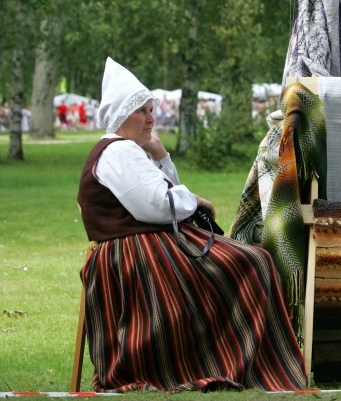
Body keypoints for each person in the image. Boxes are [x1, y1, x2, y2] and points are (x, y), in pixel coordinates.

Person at [77, 57, 306, 393]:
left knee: (250, 259)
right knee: (253, 262)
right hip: (134, 254)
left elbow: (162, 193)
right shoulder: (119, 151)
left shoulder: (125, 150)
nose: (152, 117)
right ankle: (240, 361)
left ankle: (235, 358)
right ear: (122, 115)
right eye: (143, 111)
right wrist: (196, 201)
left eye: (152, 109)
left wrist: (161, 156)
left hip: (144, 246)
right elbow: (159, 205)